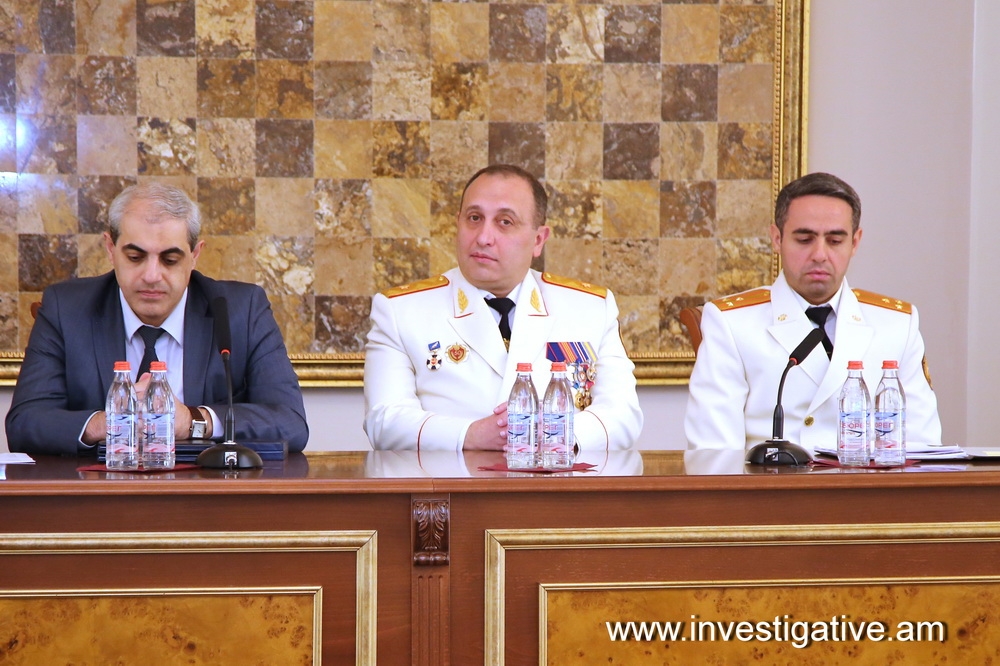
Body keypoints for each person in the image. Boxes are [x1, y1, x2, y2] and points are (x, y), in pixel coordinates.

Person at [6, 182, 309, 455]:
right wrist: (109, 423)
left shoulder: (241, 310)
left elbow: (291, 423)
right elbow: (24, 424)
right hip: (99, 493)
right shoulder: (66, 309)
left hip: (207, 494)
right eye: (135, 257)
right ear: (111, 250)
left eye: (170, 259)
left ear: (195, 255)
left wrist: (192, 421)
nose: (152, 275)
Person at [364, 164, 643, 452]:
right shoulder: (401, 311)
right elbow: (384, 420)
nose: (483, 237)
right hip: (452, 479)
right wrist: (469, 435)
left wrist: (553, 433)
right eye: (474, 218)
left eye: (505, 222)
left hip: (556, 477)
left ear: (538, 240)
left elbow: (623, 414)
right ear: (458, 224)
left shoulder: (589, 308)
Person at [685, 172, 942, 453]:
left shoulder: (896, 324)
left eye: (835, 241)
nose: (819, 254)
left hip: (867, 480)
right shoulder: (732, 322)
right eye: (805, 239)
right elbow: (713, 452)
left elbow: (922, 447)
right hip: (772, 480)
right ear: (777, 239)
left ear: (855, 242)